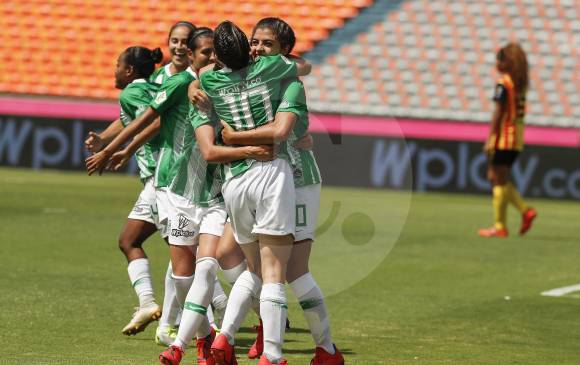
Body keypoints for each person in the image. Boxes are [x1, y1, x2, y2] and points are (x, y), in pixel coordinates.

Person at [216, 17, 344, 365]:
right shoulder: (254, 77)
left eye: (266, 44)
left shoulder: (288, 81)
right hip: (262, 180)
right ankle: (228, 340)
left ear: (284, 52)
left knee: (292, 271)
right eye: (254, 41)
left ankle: (324, 348)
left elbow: (287, 125)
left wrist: (236, 138)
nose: (256, 48)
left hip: (297, 181)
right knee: (239, 260)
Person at [187, 21, 311, 365]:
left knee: (250, 268)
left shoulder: (210, 80)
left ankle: (224, 340)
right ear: (247, 48)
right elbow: (305, 65)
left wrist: (192, 84)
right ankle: (272, 355)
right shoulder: (270, 67)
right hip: (270, 172)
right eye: (252, 43)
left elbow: (201, 72)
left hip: (234, 182)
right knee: (272, 272)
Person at [85, 45, 164, 336]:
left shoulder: (130, 92)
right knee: (136, 241)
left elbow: (153, 122)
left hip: (163, 179)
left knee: (186, 254)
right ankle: (152, 306)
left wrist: (121, 150)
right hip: (163, 179)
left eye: (118, 64)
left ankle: (218, 317)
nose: (115, 69)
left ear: (129, 70)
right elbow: (131, 119)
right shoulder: (147, 88)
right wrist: (105, 139)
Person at [478, 43, 537, 238]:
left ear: (506, 62)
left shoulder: (504, 83)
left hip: (504, 137)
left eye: (499, 59)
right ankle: (520, 214)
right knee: (497, 178)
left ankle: (502, 224)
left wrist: (490, 139)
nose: (496, 63)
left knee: (496, 179)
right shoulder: (519, 83)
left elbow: (499, 113)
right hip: (517, 138)